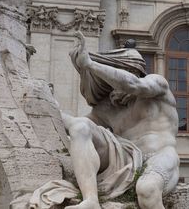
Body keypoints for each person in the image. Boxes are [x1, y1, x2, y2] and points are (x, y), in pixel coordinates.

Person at [62, 31, 179, 209]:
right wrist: (44, 100)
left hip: (160, 155)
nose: (113, 88)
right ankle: (91, 200)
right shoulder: (108, 109)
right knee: (79, 127)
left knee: (147, 190)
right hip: (126, 158)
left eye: (115, 77)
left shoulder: (156, 85)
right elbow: (73, 124)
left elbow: (134, 85)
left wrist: (91, 65)